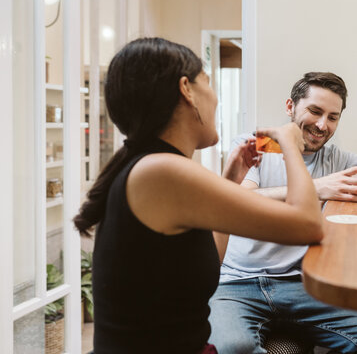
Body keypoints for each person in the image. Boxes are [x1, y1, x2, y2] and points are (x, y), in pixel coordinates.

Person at [73, 38, 324, 354]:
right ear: (186, 89)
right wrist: (291, 143)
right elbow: (307, 225)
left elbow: (211, 264)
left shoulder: (154, 166)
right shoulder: (162, 171)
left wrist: (231, 180)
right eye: (208, 83)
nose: (216, 98)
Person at [210, 72, 357, 354]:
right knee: (232, 349)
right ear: (290, 107)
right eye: (315, 111)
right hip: (238, 284)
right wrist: (317, 187)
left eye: (333, 117)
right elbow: (238, 199)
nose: (322, 125)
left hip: (302, 285)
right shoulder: (255, 144)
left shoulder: (335, 160)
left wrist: (353, 179)